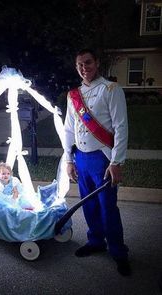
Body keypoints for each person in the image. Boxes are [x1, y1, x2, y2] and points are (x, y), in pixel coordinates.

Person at [63, 48, 131, 276]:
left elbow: (121, 127)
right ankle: (95, 241)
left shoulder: (111, 89)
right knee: (89, 205)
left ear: (97, 63)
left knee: (108, 207)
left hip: (103, 159)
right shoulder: (73, 96)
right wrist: (69, 160)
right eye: (80, 65)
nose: (84, 68)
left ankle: (118, 252)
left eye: (88, 63)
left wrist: (116, 162)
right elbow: (68, 130)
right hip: (81, 158)